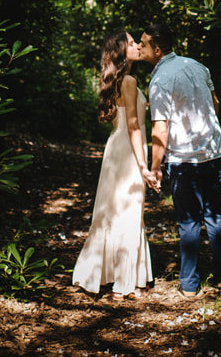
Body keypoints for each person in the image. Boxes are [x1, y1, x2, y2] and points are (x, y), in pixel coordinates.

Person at [139, 23, 221, 298]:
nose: (139, 48)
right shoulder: (197, 66)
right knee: (216, 216)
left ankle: (190, 285)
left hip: (183, 158)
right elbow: (215, 103)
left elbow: (160, 128)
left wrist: (155, 168)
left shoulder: (160, 80)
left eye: (143, 44)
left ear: (157, 49)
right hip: (213, 152)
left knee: (189, 220)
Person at [72, 31, 153, 299]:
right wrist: (144, 164)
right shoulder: (129, 80)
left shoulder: (120, 80)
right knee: (129, 209)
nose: (137, 46)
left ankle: (107, 274)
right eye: (131, 43)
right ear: (120, 51)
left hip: (116, 149)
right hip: (129, 150)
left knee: (113, 210)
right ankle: (126, 281)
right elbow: (133, 125)